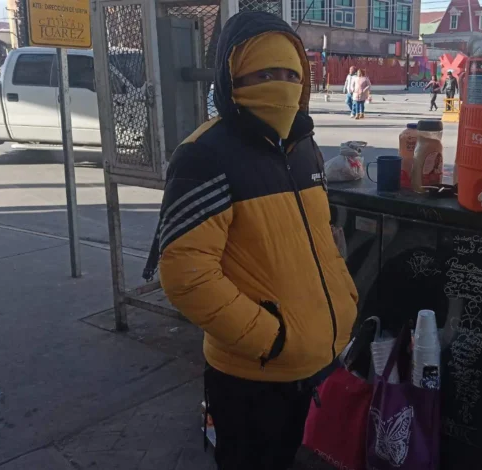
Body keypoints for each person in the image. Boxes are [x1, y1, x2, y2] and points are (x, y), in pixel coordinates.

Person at [142, 11, 358, 470]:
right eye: (264, 74)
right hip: (253, 378)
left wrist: (344, 301)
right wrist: (272, 339)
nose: (280, 85)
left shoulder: (303, 148)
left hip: (319, 362)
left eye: (290, 75)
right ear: (232, 77)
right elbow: (184, 274)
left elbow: (320, 238)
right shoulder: (205, 155)